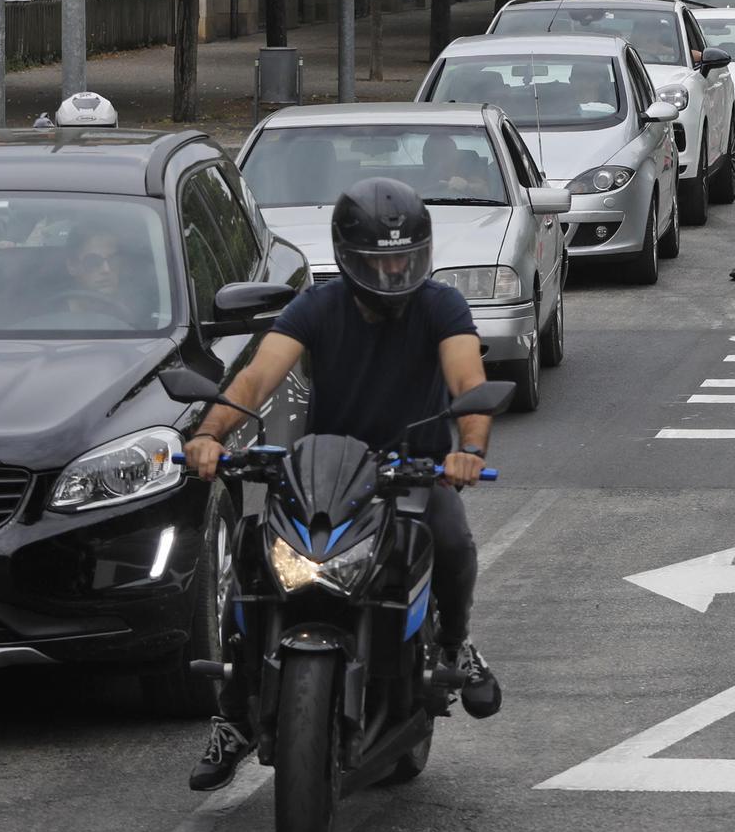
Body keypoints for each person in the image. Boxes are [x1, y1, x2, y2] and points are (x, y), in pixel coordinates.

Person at [183, 178, 500, 792]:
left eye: (404, 258)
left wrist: (470, 450)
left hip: (411, 472)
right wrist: (211, 434)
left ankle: (454, 644)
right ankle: (234, 714)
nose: (393, 272)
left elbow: (467, 381)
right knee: (255, 557)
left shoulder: (442, 306)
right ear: (349, 260)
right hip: (327, 472)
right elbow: (253, 381)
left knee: (453, 540)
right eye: (379, 261)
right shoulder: (315, 308)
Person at [420, 132, 489, 198]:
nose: (440, 160)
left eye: (445, 153)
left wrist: (466, 186)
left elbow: (485, 191)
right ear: (425, 159)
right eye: (434, 155)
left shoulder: (468, 173)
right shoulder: (415, 179)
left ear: (456, 156)